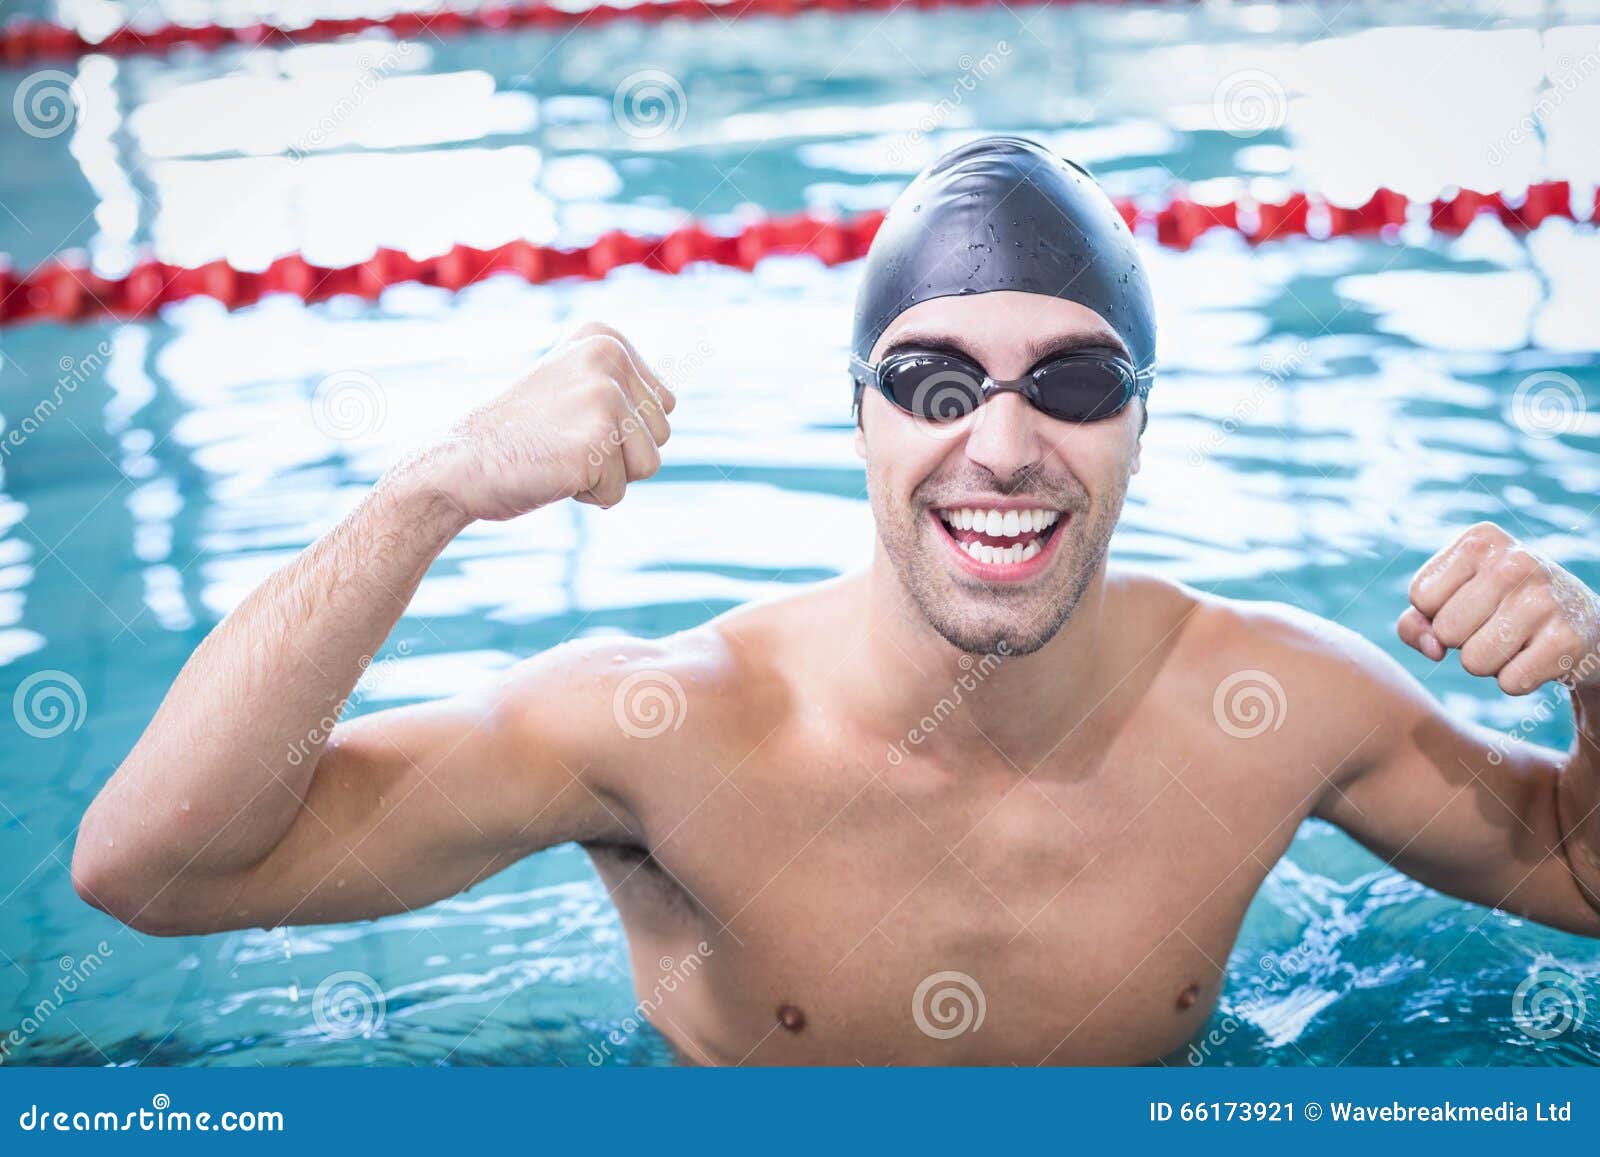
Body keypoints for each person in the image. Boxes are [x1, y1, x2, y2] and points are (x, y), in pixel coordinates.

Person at [73, 137, 1600, 1065]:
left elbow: (1578, 882)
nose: (1000, 443)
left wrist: (1597, 674)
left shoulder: (1276, 702)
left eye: (1073, 384)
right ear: (858, 419)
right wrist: (434, 489)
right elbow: (157, 869)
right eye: (935, 384)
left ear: (1146, 423)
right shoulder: (664, 727)